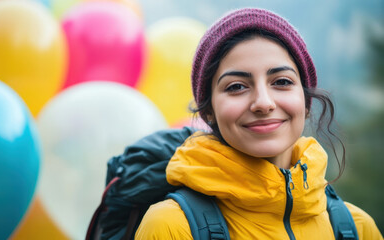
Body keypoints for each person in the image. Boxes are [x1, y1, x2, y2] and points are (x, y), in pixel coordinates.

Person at [134, 8, 383, 240]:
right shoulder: (171, 226)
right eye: (237, 87)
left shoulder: (356, 228)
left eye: (282, 82)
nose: (263, 103)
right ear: (209, 112)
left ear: (306, 102)